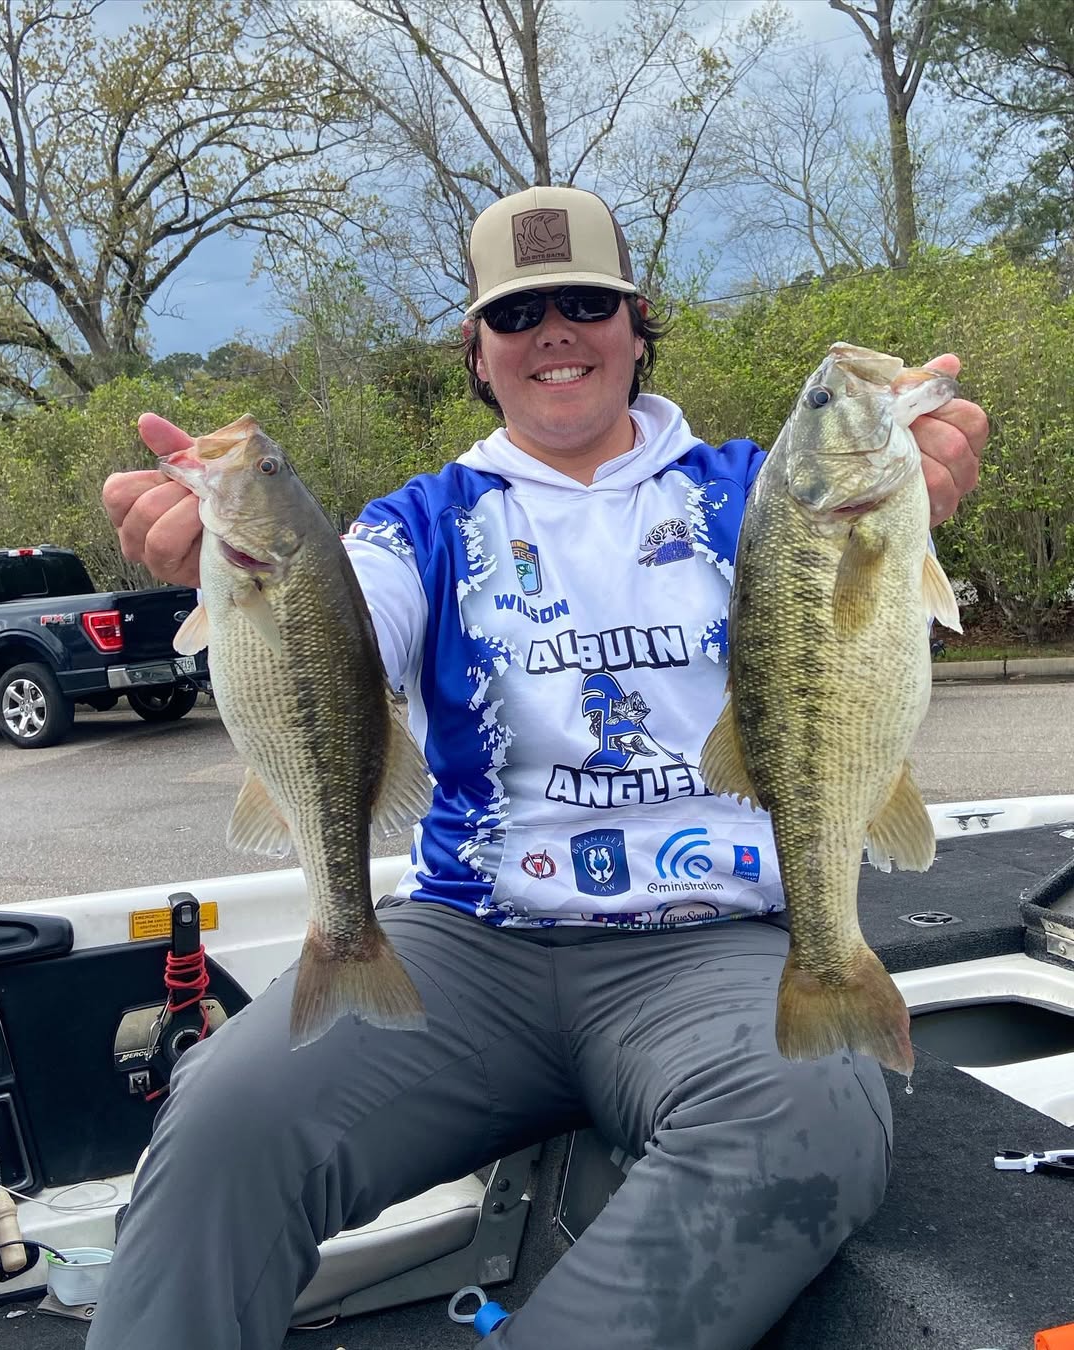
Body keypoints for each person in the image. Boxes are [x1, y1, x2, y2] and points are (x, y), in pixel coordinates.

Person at [88, 185, 987, 1350]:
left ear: (637, 327)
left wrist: (920, 488)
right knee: (226, 1115)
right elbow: (340, 619)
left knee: (808, 1114)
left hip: (713, 945)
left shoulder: (763, 494)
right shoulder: (416, 525)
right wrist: (235, 556)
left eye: (585, 304)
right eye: (517, 315)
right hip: (469, 947)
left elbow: (860, 606)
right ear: (477, 351)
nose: (554, 332)